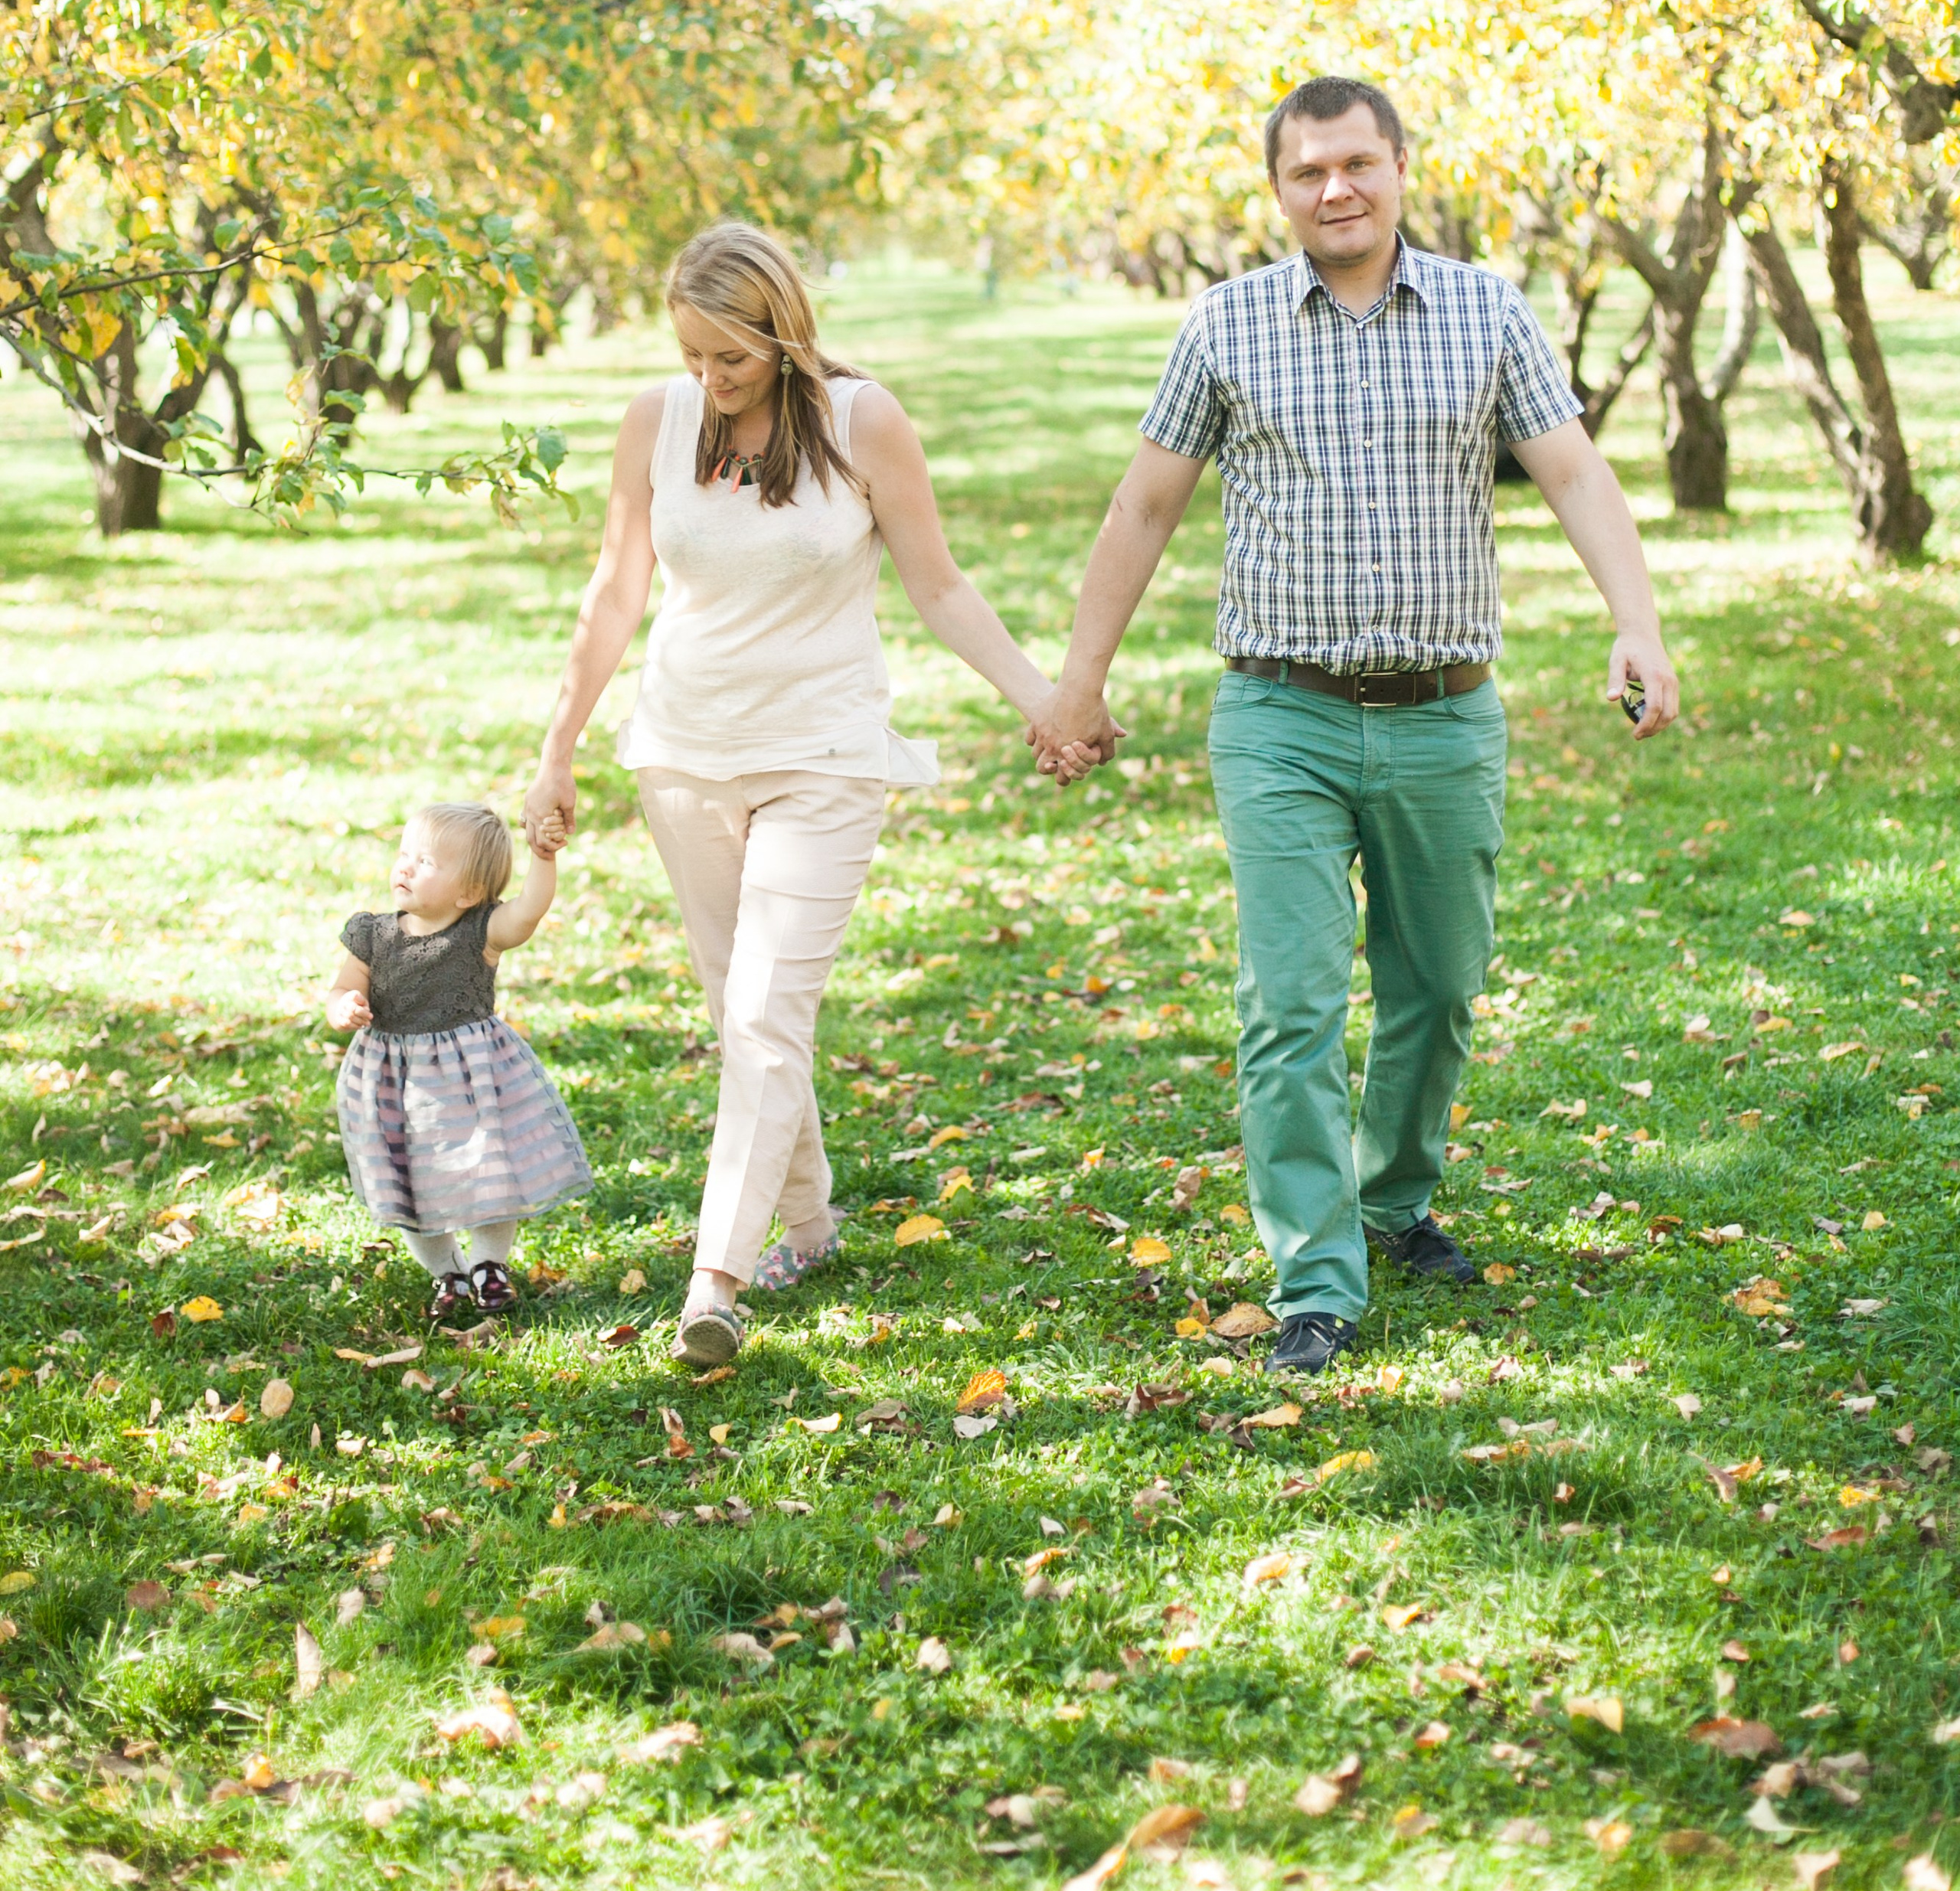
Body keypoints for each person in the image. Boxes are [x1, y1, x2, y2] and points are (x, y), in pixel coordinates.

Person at [1028, 74, 1680, 1377]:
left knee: (1435, 990)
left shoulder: (1487, 311)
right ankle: (1316, 1277)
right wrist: (1079, 680)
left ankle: (1393, 1200)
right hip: (1281, 716)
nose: (1336, 189)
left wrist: (1638, 621)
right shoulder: (1227, 325)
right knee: (1292, 1003)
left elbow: (1570, 471)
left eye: (1357, 164)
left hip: (1445, 717)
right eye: (1308, 171)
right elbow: (1144, 509)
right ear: (1278, 190)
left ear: (1398, 169)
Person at [522, 221, 1106, 1367]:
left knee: (763, 1015)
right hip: (683, 753)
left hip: (825, 757)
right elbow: (616, 589)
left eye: (730, 359)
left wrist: (1045, 701)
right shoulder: (657, 418)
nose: (709, 379)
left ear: (784, 335)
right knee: (737, 1010)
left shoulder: (862, 421)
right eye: (692, 355)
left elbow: (939, 585)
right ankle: (808, 1222)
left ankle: (715, 1279)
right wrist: (559, 745)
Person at [326, 800, 588, 1318]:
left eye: (425, 862)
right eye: (404, 854)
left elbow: (529, 909)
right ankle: (448, 1273)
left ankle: (489, 1265)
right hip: (393, 1082)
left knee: (489, 1174)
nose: (405, 866)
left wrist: (545, 856)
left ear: (468, 892)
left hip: (470, 1081)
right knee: (410, 1184)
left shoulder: (480, 934)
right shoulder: (371, 935)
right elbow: (342, 985)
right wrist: (343, 1005)